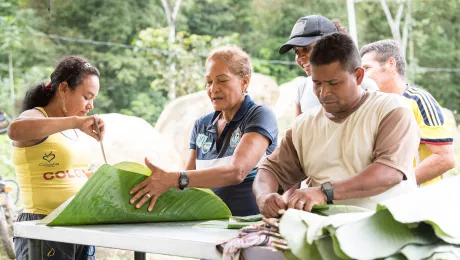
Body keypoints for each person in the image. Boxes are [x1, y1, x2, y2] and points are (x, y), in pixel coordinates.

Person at [253, 33, 420, 217]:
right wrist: (264, 196)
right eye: (317, 83)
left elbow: (389, 172)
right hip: (321, 232)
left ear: (358, 76)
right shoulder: (303, 125)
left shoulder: (391, 110)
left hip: (385, 229)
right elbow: (270, 170)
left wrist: (324, 192)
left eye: (334, 83)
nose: (324, 92)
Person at [129, 46, 278, 216]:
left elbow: (237, 172)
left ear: (244, 82)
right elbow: (188, 182)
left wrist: (173, 179)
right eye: (209, 82)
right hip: (207, 224)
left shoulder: (259, 115)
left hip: (249, 224)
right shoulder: (201, 124)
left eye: (222, 80)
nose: (213, 89)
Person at [8, 56, 104, 260]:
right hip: (43, 226)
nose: (90, 106)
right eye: (87, 97)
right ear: (63, 89)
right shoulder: (36, 116)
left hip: (78, 227)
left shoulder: (73, 129)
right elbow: (15, 130)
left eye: (93, 99)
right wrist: (75, 122)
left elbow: (69, 172)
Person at [360, 40, 456, 186]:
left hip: (419, 201)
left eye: (367, 68)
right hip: (383, 200)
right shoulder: (369, 105)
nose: (361, 75)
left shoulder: (419, 100)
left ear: (390, 64)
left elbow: (445, 158)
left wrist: (400, 186)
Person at [279, 15, 379, 117]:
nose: (300, 58)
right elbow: (298, 130)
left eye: (307, 49)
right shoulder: (302, 88)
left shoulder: (364, 86)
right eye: (296, 52)